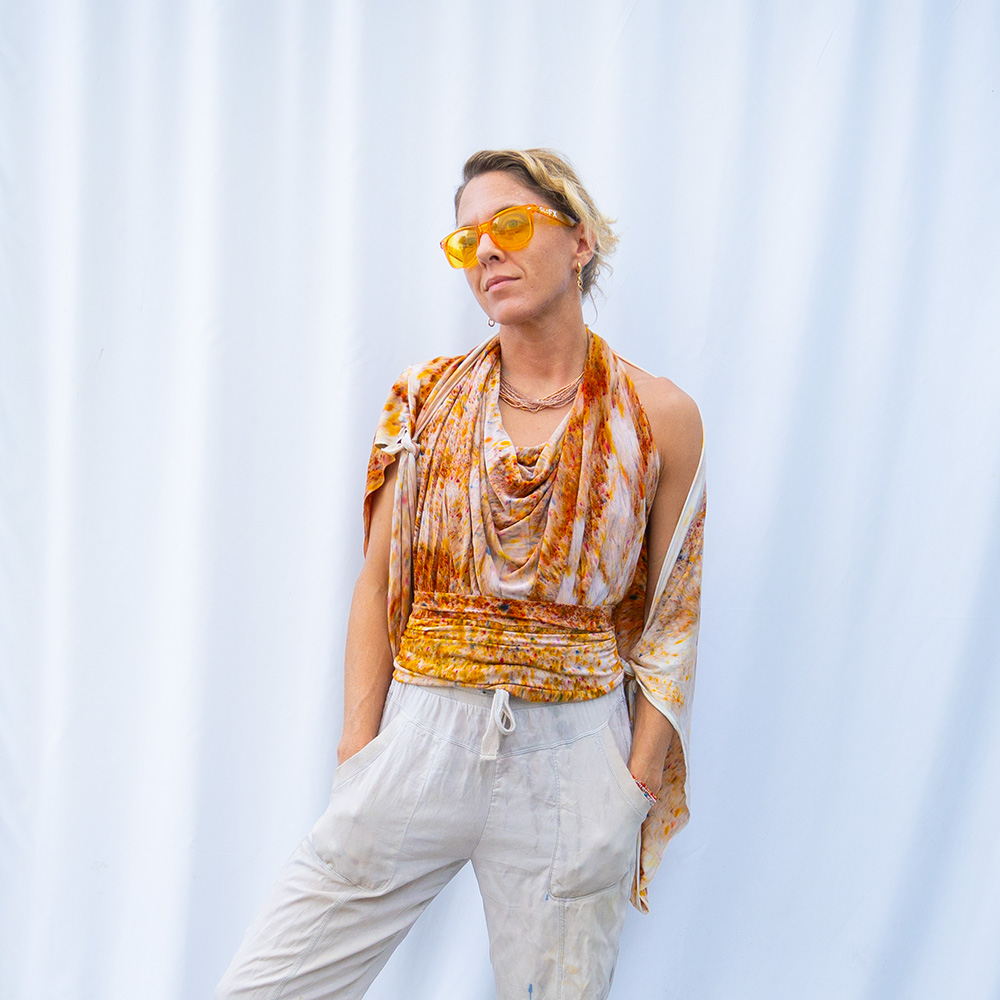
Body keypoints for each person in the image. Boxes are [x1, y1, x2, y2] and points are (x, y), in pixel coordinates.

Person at [216, 148, 705, 1000]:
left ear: (580, 240)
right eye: (466, 239)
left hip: (573, 758)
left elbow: (672, 617)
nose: (486, 250)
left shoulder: (658, 414)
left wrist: (632, 786)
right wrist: (359, 753)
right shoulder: (426, 399)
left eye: (510, 223)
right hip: (422, 735)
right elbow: (377, 585)